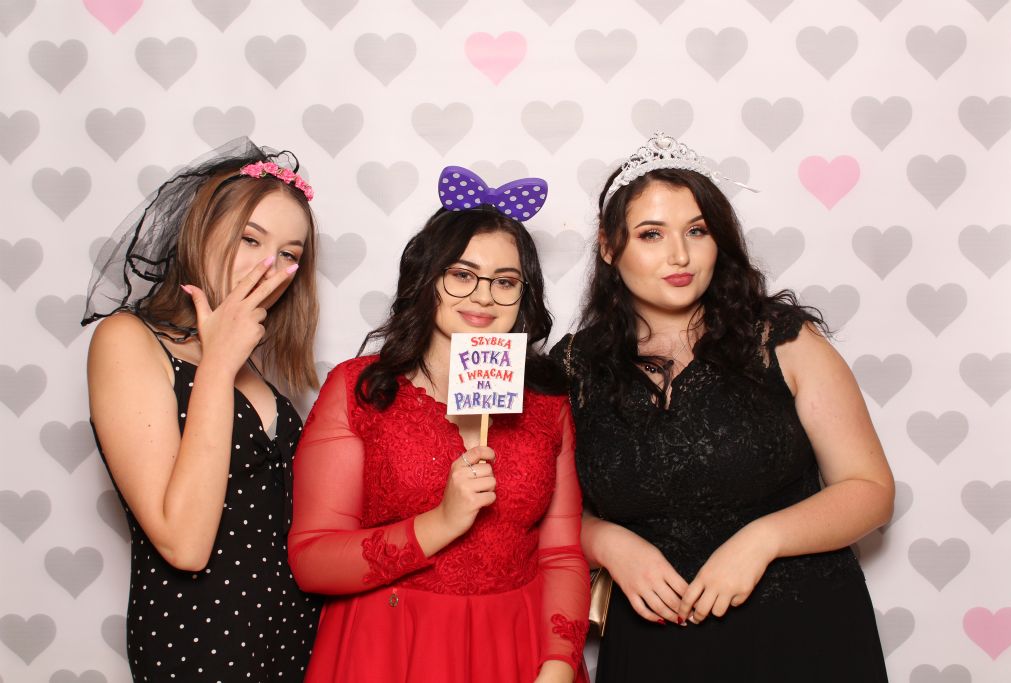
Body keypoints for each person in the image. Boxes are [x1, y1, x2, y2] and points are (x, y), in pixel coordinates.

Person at [550, 133, 894, 682]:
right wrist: (606, 542)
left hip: (803, 636)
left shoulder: (782, 340)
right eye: (652, 234)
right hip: (656, 645)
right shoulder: (573, 367)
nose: (680, 255)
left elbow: (870, 490)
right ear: (609, 246)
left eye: (697, 230)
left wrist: (762, 540)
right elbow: (536, 511)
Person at [288, 166, 590, 683]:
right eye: (462, 274)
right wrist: (442, 522)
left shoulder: (546, 404)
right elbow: (312, 559)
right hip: (390, 648)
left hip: (514, 649)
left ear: (524, 296)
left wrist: (558, 664)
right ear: (426, 279)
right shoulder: (360, 389)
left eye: (505, 281)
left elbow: (562, 554)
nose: (484, 296)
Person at [83, 138, 322, 681]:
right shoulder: (128, 340)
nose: (269, 265)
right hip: (201, 645)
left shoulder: (254, 368)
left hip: (293, 642)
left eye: (289, 254)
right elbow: (184, 544)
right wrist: (218, 363)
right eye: (250, 238)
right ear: (201, 232)